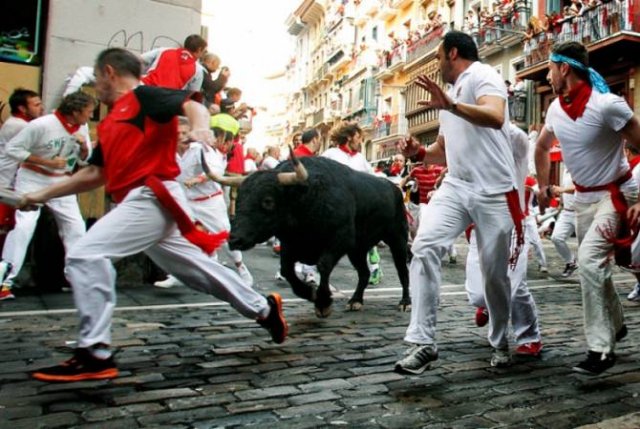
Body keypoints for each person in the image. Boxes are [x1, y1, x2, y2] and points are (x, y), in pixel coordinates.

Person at [23, 48, 287, 382]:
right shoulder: (111, 122)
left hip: (151, 197)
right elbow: (93, 175)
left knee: (86, 254)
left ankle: (94, 351)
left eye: (97, 77)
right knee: (197, 270)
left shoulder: (143, 96)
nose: (95, 87)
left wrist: (201, 128)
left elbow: (192, 105)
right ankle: (263, 309)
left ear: (108, 72)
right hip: (144, 202)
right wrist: (38, 194)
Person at [395, 31, 519, 374]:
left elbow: (494, 116)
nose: (436, 65)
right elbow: (443, 151)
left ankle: (500, 340)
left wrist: (450, 105)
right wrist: (418, 153)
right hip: (457, 185)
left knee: (494, 275)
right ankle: (423, 342)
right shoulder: (447, 96)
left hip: (494, 190)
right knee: (424, 246)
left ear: (452, 53)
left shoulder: (484, 75)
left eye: (437, 58)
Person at [535, 41, 640, 375]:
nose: (548, 75)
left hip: (616, 194)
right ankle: (617, 323)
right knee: (594, 266)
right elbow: (540, 147)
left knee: (588, 263)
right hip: (582, 200)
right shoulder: (553, 109)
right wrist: (541, 186)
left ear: (564, 68)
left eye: (550, 67)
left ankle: (601, 349)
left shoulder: (608, 105)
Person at [0, 92, 95, 301]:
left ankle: (76, 278)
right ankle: (3, 281)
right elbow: (12, 149)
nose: (90, 117)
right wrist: (46, 162)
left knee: (76, 228)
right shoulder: (41, 125)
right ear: (76, 112)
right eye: (88, 112)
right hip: (32, 178)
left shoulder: (82, 127)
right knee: (24, 227)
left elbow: (85, 160)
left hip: (62, 181)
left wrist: (83, 147)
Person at [465, 123, 543, 357]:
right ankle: (488, 303)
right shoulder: (472, 148)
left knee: (516, 287)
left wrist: (490, 115)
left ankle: (530, 337)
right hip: (482, 224)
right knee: (479, 293)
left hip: (516, 222)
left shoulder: (515, 140)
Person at [322, 123, 383, 285]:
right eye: (358, 138)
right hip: (335, 207)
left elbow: (372, 179)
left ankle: (375, 267)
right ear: (349, 137)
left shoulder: (360, 159)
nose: (360, 141)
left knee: (366, 237)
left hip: (358, 207)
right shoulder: (330, 154)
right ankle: (313, 272)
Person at [0, 88, 45, 236]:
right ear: (22, 108)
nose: (41, 108)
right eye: (36, 105)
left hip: (10, 183)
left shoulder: (19, 123)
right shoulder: (19, 125)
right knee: (5, 229)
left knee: (9, 229)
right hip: (5, 185)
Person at [141, 34, 208, 91]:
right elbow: (193, 95)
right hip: (167, 99)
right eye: (204, 51)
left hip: (145, 88)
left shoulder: (164, 50)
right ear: (199, 49)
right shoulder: (198, 70)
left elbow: (140, 59)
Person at [550, 169, 578, 277]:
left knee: (584, 244)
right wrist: (561, 203)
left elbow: (580, 188)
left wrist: (561, 189)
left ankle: (591, 272)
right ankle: (571, 262)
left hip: (579, 212)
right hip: (566, 212)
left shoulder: (580, 167)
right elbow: (563, 189)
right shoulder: (565, 170)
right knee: (556, 238)